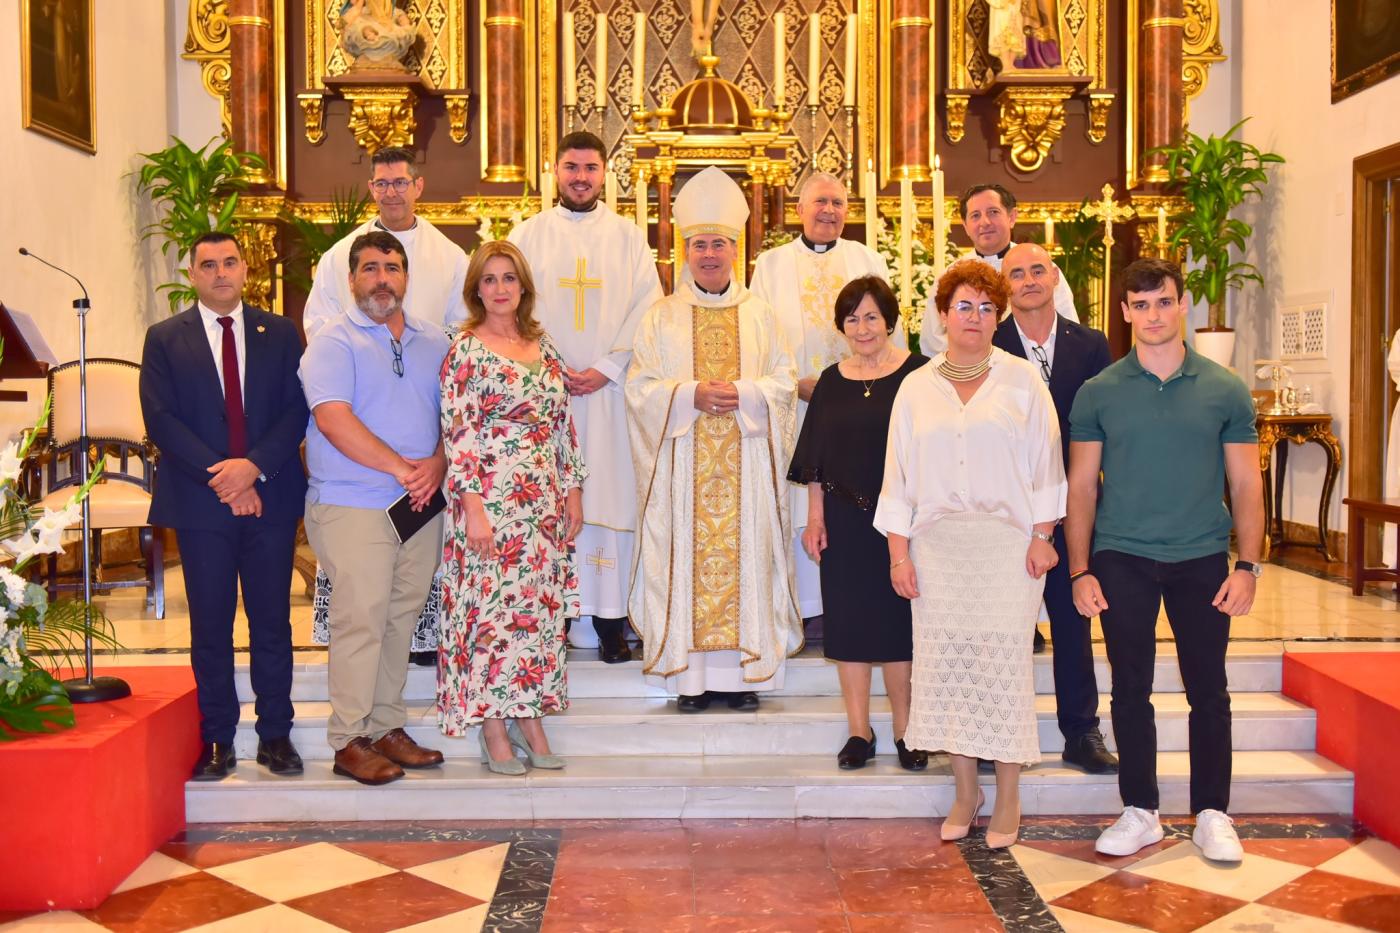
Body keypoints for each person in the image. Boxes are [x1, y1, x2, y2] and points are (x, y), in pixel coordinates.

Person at [1067, 258, 1264, 864]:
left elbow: (1246, 483)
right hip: (1120, 556)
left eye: (1163, 302)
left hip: (1200, 555)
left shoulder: (1224, 388)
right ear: (1125, 311)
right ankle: (1141, 810)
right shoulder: (1099, 392)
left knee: (1209, 688)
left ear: (1182, 305)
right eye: (1141, 304)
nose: (1153, 315)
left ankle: (1212, 812)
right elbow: (1081, 488)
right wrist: (1080, 569)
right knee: (1130, 688)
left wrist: (1248, 566)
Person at [875, 258, 1065, 849]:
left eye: (986, 308)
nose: (975, 317)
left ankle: (1007, 793)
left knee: (1002, 670)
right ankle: (965, 792)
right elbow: (897, 477)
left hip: (1006, 548)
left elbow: (1047, 465)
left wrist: (1042, 537)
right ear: (943, 314)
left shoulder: (1021, 381)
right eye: (964, 306)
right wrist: (899, 555)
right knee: (949, 669)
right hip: (938, 549)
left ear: (998, 317)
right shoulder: (915, 387)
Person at [626, 166, 801, 713]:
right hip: (684, 470)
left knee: (747, 560)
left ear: (734, 249)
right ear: (686, 250)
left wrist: (747, 394)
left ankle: (741, 678)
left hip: (746, 467)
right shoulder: (661, 317)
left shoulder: (761, 316)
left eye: (718, 244)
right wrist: (689, 394)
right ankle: (692, 682)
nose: (709, 254)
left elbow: (785, 382)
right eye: (699, 244)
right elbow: (640, 389)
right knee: (687, 560)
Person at [140, 232, 309, 782]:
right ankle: (217, 738)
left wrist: (252, 468)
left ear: (244, 270)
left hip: (270, 497)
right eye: (208, 264)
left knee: (272, 623)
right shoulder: (165, 338)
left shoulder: (279, 333)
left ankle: (275, 736)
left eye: (229, 262)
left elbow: (296, 411)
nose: (220, 273)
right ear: (192, 274)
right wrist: (227, 478)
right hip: (200, 503)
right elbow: (161, 420)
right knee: (211, 626)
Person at [304, 145, 469, 666]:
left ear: (418, 186)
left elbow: (462, 337)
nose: (391, 192)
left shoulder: (450, 257)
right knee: (364, 607)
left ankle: (420, 650)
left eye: (400, 182)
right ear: (371, 188)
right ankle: (358, 710)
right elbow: (319, 329)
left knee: (406, 595)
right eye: (382, 183)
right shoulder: (340, 256)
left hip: (422, 448)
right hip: (360, 453)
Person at [301, 230, 450, 785]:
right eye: (370, 269)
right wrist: (401, 468)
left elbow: (455, 418)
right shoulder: (332, 342)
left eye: (392, 268)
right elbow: (333, 419)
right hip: (352, 501)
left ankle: (386, 726)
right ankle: (348, 739)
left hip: (420, 503)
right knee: (360, 618)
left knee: (399, 619)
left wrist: (437, 464)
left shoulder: (435, 341)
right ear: (351, 279)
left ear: (406, 277)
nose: (382, 279)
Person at [507, 131, 663, 663]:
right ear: (555, 170)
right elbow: (507, 306)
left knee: (609, 500)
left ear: (604, 174)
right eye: (571, 167)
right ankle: (551, 616)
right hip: (543, 398)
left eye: (590, 168)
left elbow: (649, 312)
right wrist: (549, 369)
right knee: (547, 503)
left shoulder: (628, 239)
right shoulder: (527, 236)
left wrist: (606, 368)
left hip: (609, 396)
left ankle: (610, 621)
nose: (580, 177)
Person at [439, 241, 586, 774]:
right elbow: (458, 433)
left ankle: (531, 718)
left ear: (523, 287)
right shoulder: (465, 350)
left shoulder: (545, 348)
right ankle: (493, 727)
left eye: (509, 278)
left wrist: (572, 489)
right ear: (476, 290)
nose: (500, 288)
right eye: (490, 279)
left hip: (542, 503)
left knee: (535, 616)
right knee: (492, 615)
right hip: (490, 501)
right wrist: (473, 508)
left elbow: (562, 424)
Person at [787, 275, 928, 771]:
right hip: (845, 520)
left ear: (890, 321)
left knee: (898, 627)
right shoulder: (831, 380)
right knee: (848, 626)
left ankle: (907, 731)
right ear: (841, 326)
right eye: (852, 319)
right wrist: (815, 519)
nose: (862, 328)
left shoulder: (919, 374)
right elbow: (815, 457)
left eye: (871, 317)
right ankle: (858, 731)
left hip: (902, 524)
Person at [751, 172, 900, 633]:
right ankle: (805, 608)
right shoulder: (771, 265)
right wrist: (791, 383)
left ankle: (848, 602)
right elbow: (757, 338)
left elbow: (890, 330)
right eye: (819, 202)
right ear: (800, 209)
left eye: (837, 202)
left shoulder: (867, 258)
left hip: (860, 407)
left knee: (852, 498)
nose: (829, 210)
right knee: (802, 504)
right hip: (795, 404)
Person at [992, 242, 1118, 775]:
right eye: (1016, 273)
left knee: (1071, 621)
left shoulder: (1090, 344)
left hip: (1073, 504)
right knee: (1003, 626)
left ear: (1053, 277)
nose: (1028, 280)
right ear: (1005, 288)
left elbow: (1109, 421)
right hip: (1007, 507)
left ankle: (1081, 732)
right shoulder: (990, 343)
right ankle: (997, 734)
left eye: (1037, 270)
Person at [922, 184, 1077, 353]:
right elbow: (933, 339)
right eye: (975, 215)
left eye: (993, 212)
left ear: (1012, 217)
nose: (985, 222)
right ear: (965, 226)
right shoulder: (951, 276)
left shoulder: (1040, 267)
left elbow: (1066, 327)